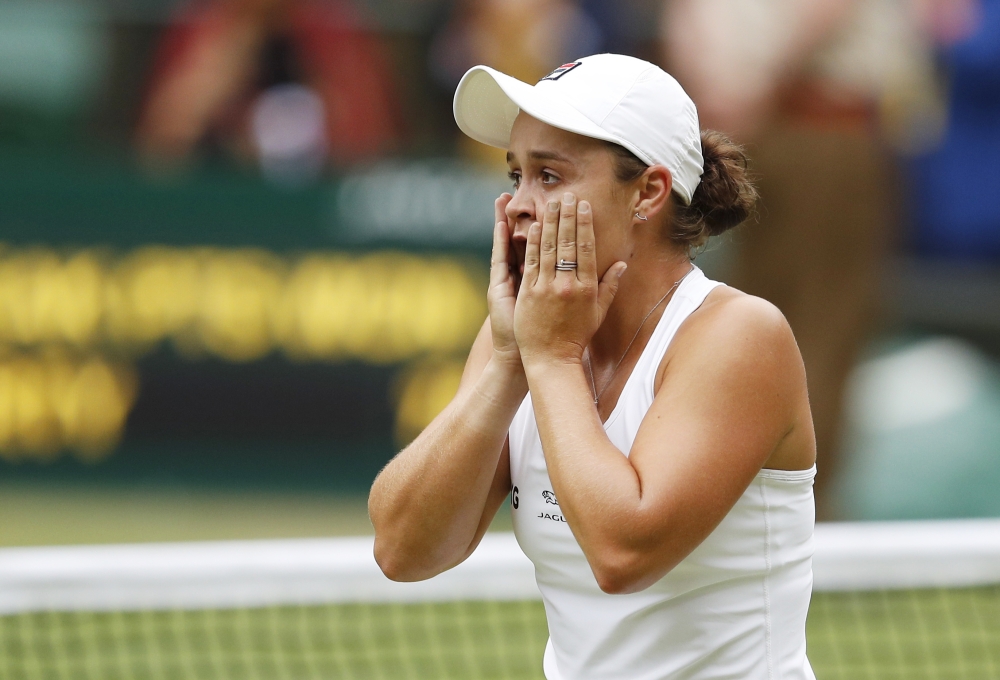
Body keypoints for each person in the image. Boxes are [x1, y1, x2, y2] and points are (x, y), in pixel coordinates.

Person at [368, 54, 817, 679]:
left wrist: (549, 359)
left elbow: (622, 554)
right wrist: (506, 363)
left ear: (648, 194)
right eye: (516, 175)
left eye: (550, 176)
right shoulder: (523, 339)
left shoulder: (739, 335)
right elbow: (402, 550)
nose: (519, 205)